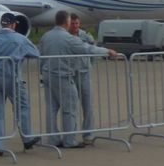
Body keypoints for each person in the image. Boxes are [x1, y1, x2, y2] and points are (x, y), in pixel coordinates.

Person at [38, 10, 119, 148]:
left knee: (51, 109)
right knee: (69, 108)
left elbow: (42, 55)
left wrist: (42, 73)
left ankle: (53, 139)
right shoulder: (68, 38)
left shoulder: (46, 36)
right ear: (67, 22)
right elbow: (87, 49)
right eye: (71, 21)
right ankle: (69, 140)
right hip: (63, 76)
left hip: (49, 75)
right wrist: (107, 51)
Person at [0, 13, 40, 154]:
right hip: (13, 77)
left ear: (2, 24)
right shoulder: (20, 39)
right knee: (23, 107)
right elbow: (36, 53)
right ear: (13, 24)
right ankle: (27, 137)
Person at [67, 14, 100, 144]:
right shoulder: (66, 37)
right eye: (72, 24)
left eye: (77, 24)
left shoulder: (86, 36)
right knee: (71, 106)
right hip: (70, 74)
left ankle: (88, 134)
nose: (75, 26)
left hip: (84, 73)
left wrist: (89, 65)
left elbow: (92, 53)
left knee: (88, 104)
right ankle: (71, 134)